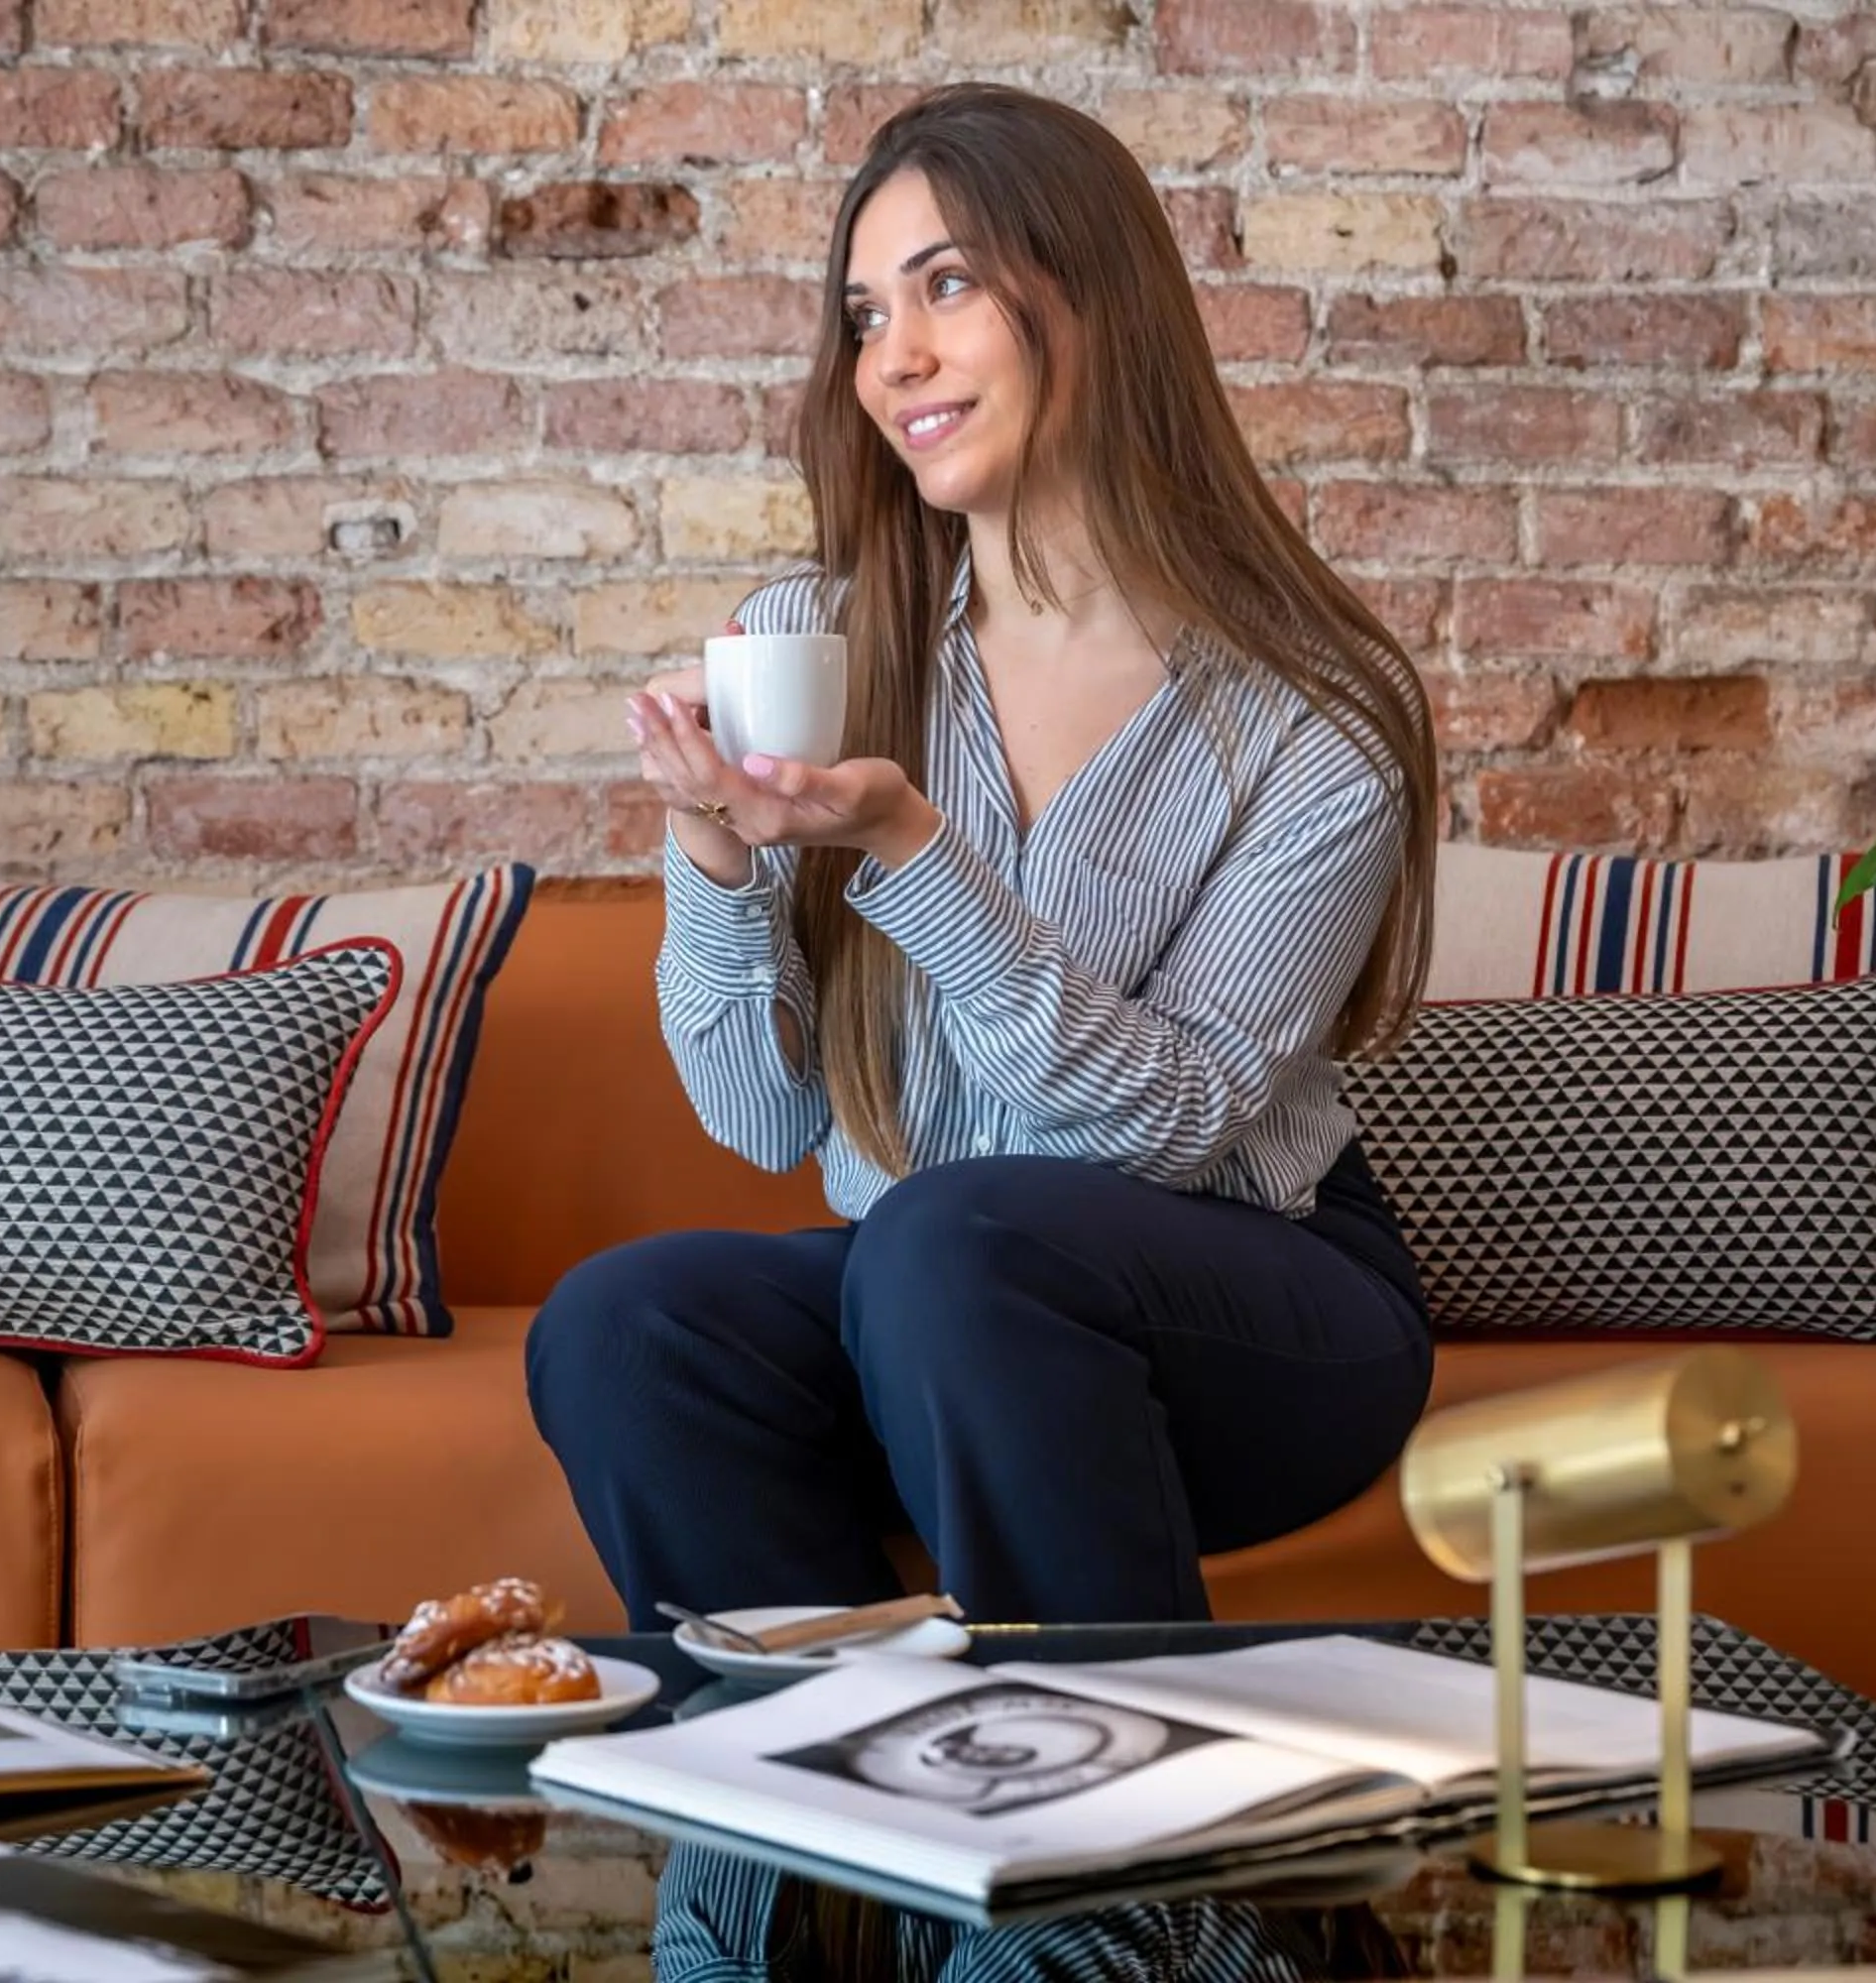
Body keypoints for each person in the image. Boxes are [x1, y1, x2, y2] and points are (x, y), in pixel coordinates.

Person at [525, 83, 1441, 1630]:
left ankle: (1101, 1831)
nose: (898, 359)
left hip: (1253, 1317)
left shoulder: (1314, 714)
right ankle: (806, 1810)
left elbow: (1179, 1123)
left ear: (1095, 294)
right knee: (631, 1321)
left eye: (947, 285)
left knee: (951, 1244)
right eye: (867, 313)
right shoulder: (818, 643)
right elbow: (759, 1121)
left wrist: (910, 848)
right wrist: (710, 845)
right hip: (936, 1310)